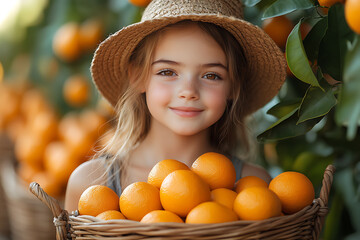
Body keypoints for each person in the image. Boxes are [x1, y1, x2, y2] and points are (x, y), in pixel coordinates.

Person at [64, 0, 287, 212]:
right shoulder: (91, 184)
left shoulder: (254, 188)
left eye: (211, 75)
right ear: (138, 76)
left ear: (233, 86)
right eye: (167, 72)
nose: (188, 91)